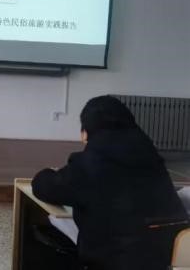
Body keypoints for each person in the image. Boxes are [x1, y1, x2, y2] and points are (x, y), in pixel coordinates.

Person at [32, 95, 188, 270]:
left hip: (114, 261)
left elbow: (45, 187)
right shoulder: (151, 157)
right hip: (170, 258)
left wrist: (49, 172)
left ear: (85, 132)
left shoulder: (89, 163)